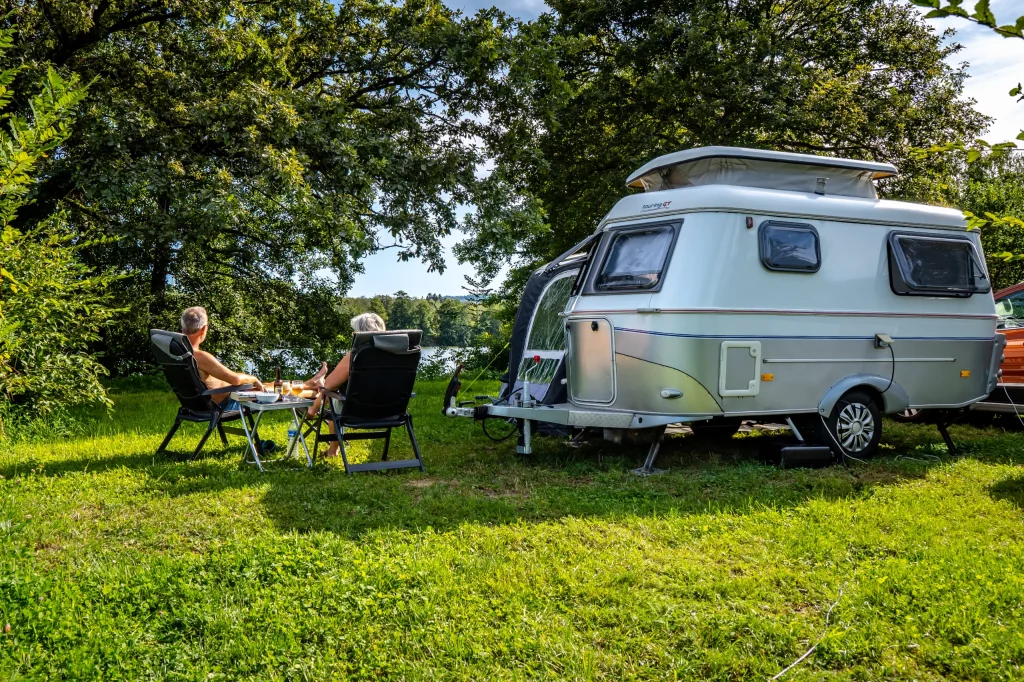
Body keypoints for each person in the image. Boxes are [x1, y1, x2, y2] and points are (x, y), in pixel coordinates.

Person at [306, 312, 386, 457]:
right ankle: (314, 405)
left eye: (354, 331)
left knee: (333, 397)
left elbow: (329, 386)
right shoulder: (395, 355)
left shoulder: (356, 355)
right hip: (389, 410)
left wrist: (315, 403)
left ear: (359, 334)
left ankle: (332, 450)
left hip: (357, 411)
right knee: (334, 392)